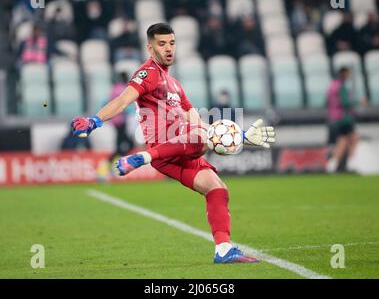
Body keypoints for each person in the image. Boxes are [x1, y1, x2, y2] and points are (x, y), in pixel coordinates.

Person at [71, 23, 276, 264]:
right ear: (150, 48)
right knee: (200, 137)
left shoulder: (175, 84)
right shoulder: (147, 74)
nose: (169, 48)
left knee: (217, 188)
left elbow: (197, 123)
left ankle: (223, 250)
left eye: (172, 43)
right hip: (165, 147)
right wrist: (95, 120)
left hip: (181, 149)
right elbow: (124, 99)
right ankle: (142, 158)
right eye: (162, 44)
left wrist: (239, 137)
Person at [326, 67, 364, 173]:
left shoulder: (332, 85)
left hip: (335, 117)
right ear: (344, 74)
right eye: (348, 73)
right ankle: (351, 162)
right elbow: (345, 103)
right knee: (353, 138)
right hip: (344, 118)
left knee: (343, 141)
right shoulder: (341, 86)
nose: (349, 76)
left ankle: (333, 164)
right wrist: (359, 102)